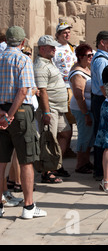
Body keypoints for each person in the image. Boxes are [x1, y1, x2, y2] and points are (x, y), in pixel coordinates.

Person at [0, 26, 47, 219]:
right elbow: (23, 90)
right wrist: (10, 114)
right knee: (26, 160)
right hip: (18, 112)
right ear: (22, 42)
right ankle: (28, 206)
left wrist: (2, 113)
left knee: (1, 162)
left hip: (1, 110)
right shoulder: (23, 59)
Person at [34, 35, 72, 184]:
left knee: (66, 133)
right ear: (42, 48)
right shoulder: (40, 66)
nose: (54, 49)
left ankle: (55, 164)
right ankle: (46, 172)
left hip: (58, 108)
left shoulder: (48, 62)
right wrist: (46, 112)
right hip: (51, 109)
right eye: (51, 47)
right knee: (49, 140)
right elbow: (42, 91)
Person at [91, 31, 108, 193]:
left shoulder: (104, 58)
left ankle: (106, 176)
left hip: (103, 99)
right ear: (102, 42)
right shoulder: (101, 61)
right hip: (104, 100)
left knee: (106, 142)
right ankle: (104, 176)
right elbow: (104, 86)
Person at [69, 44, 95, 174]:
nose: (91, 57)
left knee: (89, 137)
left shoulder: (86, 68)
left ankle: (86, 162)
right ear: (80, 57)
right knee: (84, 136)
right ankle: (80, 164)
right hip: (81, 109)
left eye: (92, 55)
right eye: (88, 55)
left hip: (88, 108)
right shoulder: (78, 73)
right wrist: (86, 114)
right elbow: (79, 96)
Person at [54, 22, 77, 165]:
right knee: (63, 121)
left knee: (71, 118)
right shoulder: (55, 50)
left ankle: (67, 147)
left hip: (72, 86)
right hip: (62, 87)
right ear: (58, 35)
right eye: (64, 33)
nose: (67, 34)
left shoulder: (71, 48)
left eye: (68, 32)